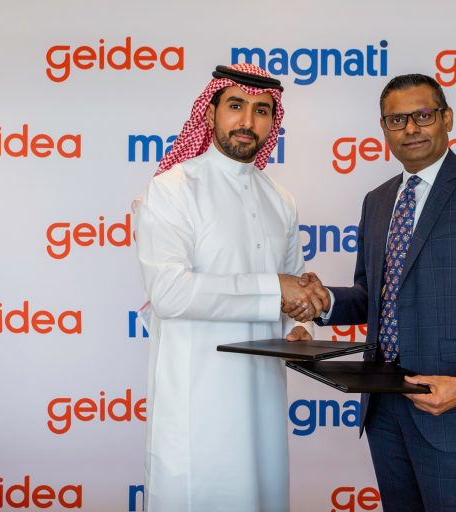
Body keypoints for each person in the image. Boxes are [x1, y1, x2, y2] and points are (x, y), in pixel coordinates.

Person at [285, 74, 456, 511]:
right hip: (383, 408)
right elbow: (374, 295)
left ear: (447, 119)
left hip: (451, 410)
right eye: (397, 120)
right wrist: (325, 302)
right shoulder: (377, 200)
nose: (410, 128)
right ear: (384, 128)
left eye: (423, 115)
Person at [135, 63, 326, 512]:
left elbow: (293, 285)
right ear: (210, 113)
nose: (247, 121)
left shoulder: (280, 199)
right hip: (198, 395)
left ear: (273, 122)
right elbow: (170, 293)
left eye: (261, 110)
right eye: (235, 106)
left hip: (262, 395)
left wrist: (302, 324)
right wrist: (275, 290)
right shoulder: (173, 189)